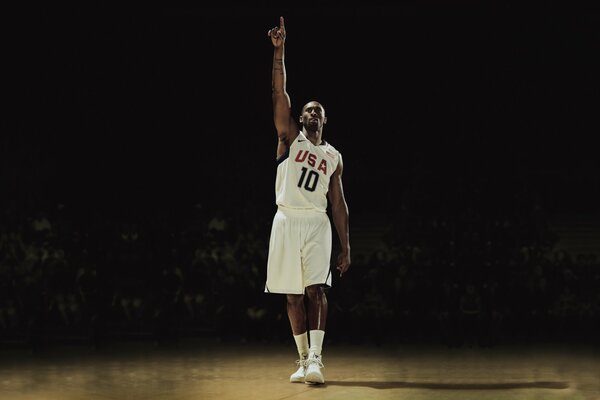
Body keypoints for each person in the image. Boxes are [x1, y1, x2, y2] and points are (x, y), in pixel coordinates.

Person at [264, 16, 351, 385]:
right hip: (285, 219)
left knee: (317, 289)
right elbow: (278, 93)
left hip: (316, 222)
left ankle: (317, 358)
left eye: (319, 110)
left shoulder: (334, 156)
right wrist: (279, 52)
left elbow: (339, 204)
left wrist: (346, 247)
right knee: (291, 297)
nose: (313, 112)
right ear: (300, 118)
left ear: (325, 119)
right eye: (309, 110)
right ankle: (302, 360)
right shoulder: (289, 139)